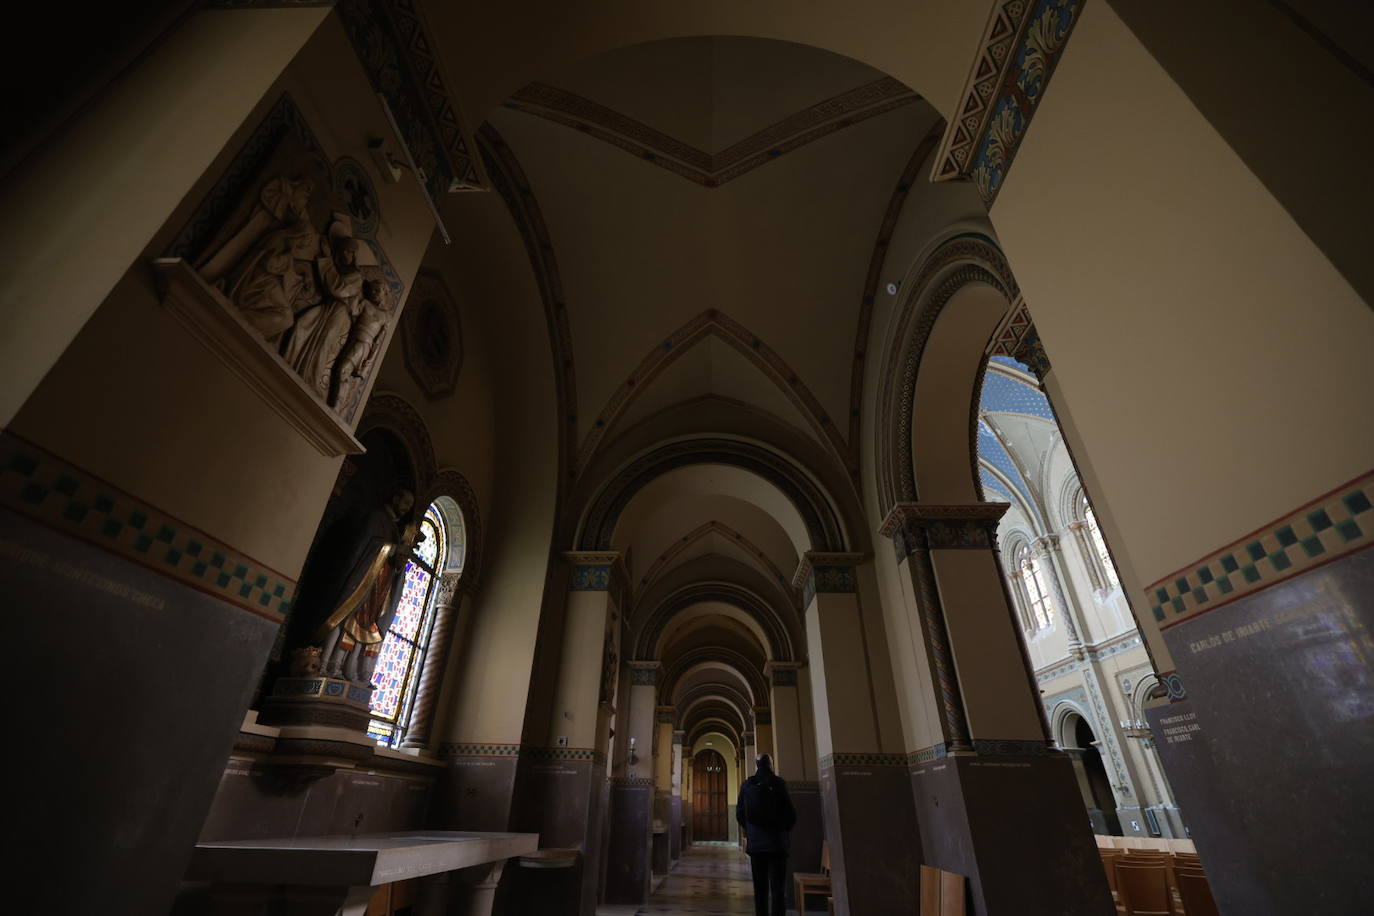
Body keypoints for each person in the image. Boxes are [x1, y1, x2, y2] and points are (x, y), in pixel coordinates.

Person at [736, 753, 796, 916]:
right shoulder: (779, 783)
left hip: (756, 846)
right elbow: (791, 814)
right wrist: (782, 830)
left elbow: (740, 814)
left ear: (757, 765)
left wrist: (751, 830)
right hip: (777, 845)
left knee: (760, 890)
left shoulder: (747, 785)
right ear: (770, 764)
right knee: (778, 891)